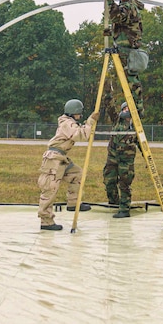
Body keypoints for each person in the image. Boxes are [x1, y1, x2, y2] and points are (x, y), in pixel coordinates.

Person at [36, 99, 99, 231]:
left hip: (62, 157)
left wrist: (89, 122)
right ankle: (46, 221)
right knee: (50, 189)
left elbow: (80, 131)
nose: (80, 117)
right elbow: (80, 135)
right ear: (74, 113)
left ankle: (73, 202)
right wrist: (90, 121)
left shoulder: (70, 122)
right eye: (79, 114)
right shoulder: (66, 123)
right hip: (53, 160)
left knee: (77, 173)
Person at [101, 0, 146, 116]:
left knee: (131, 80)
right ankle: (137, 107)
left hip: (127, 50)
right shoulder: (125, 6)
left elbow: (118, 16)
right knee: (128, 80)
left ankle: (138, 108)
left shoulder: (130, 6)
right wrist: (111, 32)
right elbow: (122, 25)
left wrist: (109, 0)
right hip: (122, 48)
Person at [103, 101, 138, 218]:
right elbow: (109, 106)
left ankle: (124, 209)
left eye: (128, 109)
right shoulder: (116, 120)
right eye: (124, 109)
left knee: (124, 184)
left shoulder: (136, 125)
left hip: (126, 161)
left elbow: (142, 143)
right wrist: (108, 93)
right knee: (109, 181)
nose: (126, 111)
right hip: (112, 157)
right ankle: (113, 204)